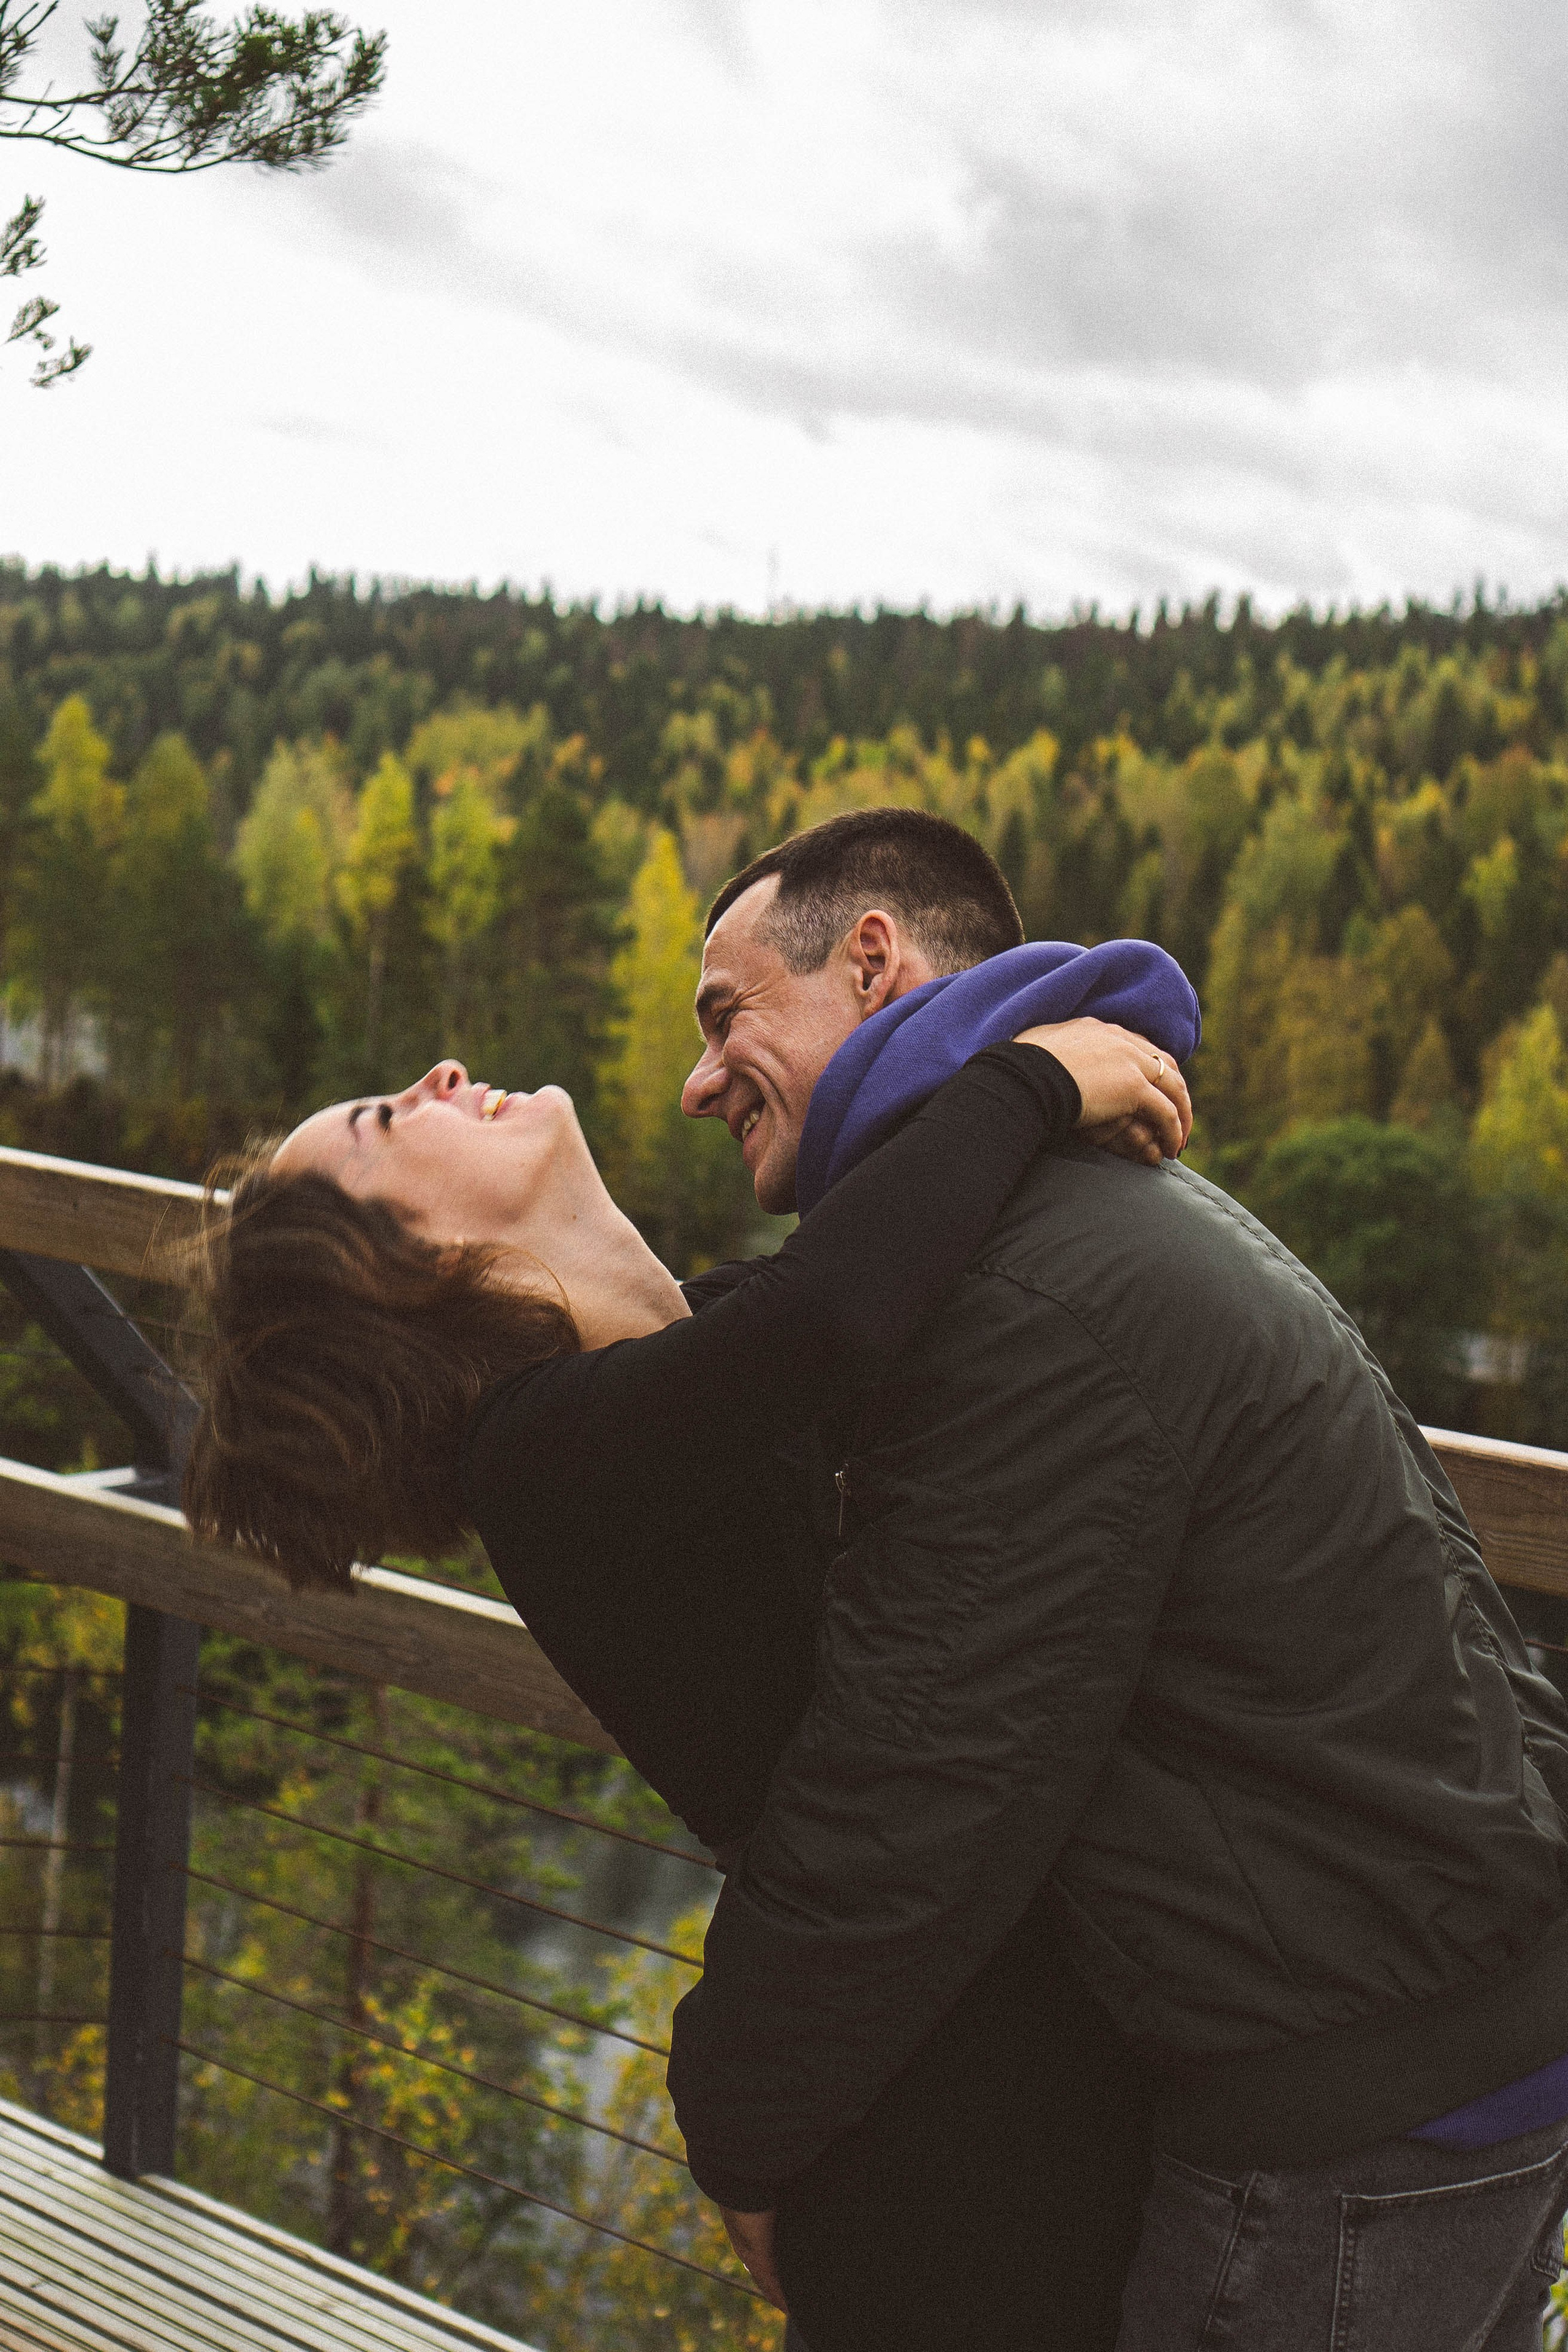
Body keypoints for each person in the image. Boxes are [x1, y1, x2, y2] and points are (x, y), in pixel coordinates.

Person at [667, 806, 1568, 2352]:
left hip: (1357, 2111)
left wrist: (740, 2111)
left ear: (870, 962)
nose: (694, 1082)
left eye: (724, 1012)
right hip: (1429, 2045)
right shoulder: (1075, 1211)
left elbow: (918, 1769)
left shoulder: (1019, 1288)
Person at [183, 985, 1195, 2347]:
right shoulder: (543, 1454)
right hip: (935, 2137)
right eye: (380, 1120)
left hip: (952, 2050)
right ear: (400, 1258)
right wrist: (1029, 1080)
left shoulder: (662, 1377)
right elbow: (833, 1307)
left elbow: (833, 1294)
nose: (438, 1068)